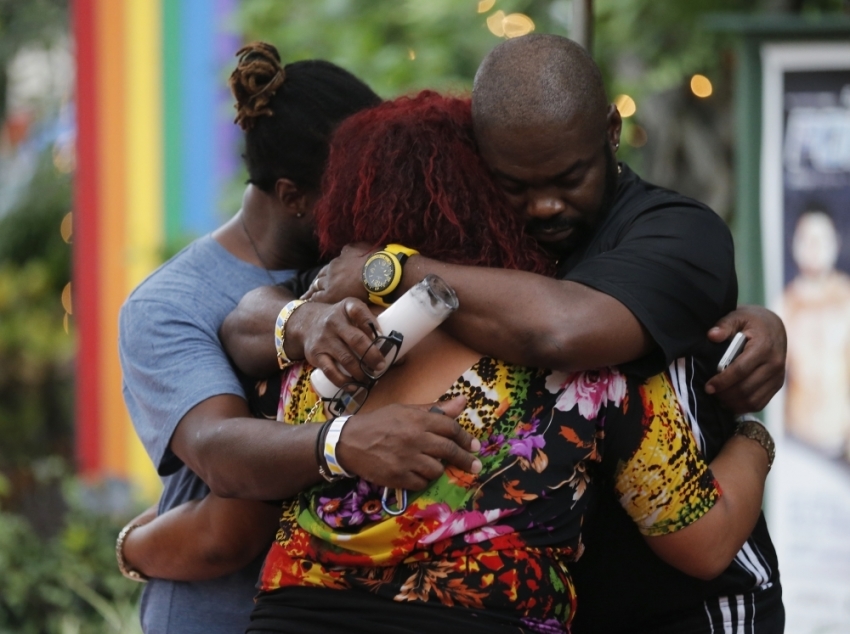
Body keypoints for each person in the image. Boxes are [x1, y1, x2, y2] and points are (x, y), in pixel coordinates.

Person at [121, 92, 772, 634]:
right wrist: (753, 436)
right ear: (490, 196)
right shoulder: (593, 377)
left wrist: (130, 546)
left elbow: (224, 530)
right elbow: (704, 543)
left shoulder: (307, 356)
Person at [116, 43, 395, 633]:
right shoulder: (170, 306)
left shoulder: (370, 261)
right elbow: (225, 500)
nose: (376, 205)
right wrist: (132, 546)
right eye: (355, 191)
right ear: (293, 196)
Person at [782, 207, 850, 460]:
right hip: (796, 442)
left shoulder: (846, 300)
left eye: (820, 238)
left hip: (841, 443)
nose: (813, 246)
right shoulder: (786, 305)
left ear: (835, 242)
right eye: (807, 238)